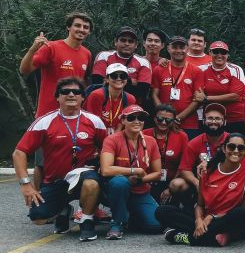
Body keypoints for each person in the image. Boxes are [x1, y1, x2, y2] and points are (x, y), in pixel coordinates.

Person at [12, 77, 107, 242]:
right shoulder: (44, 122)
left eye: (76, 92)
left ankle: (86, 220)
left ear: (83, 97)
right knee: (38, 218)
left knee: (91, 183)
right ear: (57, 97)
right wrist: (26, 184)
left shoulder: (95, 121)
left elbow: (107, 149)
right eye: (65, 92)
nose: (71, 95)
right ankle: (64, 209)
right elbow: (19, 153)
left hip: (84, 177)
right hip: (56, 180)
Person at [158, 133, 245, 246]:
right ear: (224, 149)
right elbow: (199, 205)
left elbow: (243, 208)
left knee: (241, 214)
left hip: (226, 220)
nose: (236, 151)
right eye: (231, 146)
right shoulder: (207, 171)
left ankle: (187, 237)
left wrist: (213, 217)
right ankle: (214, 238)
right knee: (161, 211)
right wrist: (198, 220)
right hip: (206, 220)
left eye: (241, 148)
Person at [99, 105, 163, 239]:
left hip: (140, 191)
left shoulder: (150, 141)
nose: (137, 121)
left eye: (141, 118)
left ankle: (132, 215)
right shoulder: (112, 139)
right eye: (131, 118)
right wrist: (135, 170)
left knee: (156, 226)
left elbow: (157, 173)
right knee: (119, 182)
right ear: (122, 120)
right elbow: (106, 170)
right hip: (117, 190)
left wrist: (140, 180)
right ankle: (117, 222)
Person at [19, 12, 92, 118]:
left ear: (89, 32)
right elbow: (24, 70)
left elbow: (84, 83)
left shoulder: (87, 54)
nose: (81, 29)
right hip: (48, 113)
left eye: (85, 27)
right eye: (77, 25)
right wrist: (32, 50)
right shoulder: (51, 47)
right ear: (68, 27)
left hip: (73, 114)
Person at [150, 36, 203, 139]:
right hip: (163, 122)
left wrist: (177, 118)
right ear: (168, 48)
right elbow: (154, 94)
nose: (178, 50)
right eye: (175, 47)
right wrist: (164, 116)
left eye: (182, 47)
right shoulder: (159, 69)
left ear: (187, 49)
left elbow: (197, 100)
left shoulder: (196, 71)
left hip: (189, 124)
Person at [178, 103, 233, 194]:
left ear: (224, 122)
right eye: (210, 118)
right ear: (204, 121)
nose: (214, 121)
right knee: (176, 184)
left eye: (218, 118)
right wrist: (197, 183)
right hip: (203, 182)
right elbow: (184, 169)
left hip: (227, 181)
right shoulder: (194, 143)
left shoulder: (232, 141)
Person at [143, 104, 191, 207]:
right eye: (160, 119)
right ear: (155, 118)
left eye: (168, 120)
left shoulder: (181, 136)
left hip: (171, 181)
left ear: (173, 121)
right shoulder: (144, 134)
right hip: (149, 180)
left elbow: (183, 164)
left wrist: (170, 189)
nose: (164, 123)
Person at [91, 26, 152, 103]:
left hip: (130, 105)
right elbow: (97, 83)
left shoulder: (143, 62)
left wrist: (110, 80)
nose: (127, 44)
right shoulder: (104, 56)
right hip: (105, 102)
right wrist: (131, 81)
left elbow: (142, 92)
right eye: (123, 40)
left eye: (130, 41)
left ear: (136, 45)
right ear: (116, 42)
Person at [197, 41, 245, 134]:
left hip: (234, 117)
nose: (219, 55)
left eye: (223, 52)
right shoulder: (201, 69)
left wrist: (207, 98)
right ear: (210, 53)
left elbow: (236, 96)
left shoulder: (236, 69)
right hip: (211, 118)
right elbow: (198, 94)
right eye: (216, 51)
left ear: (227, 55)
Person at [84, 63, 137, 132]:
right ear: (107, 79)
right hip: (94, 131)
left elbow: (124, 121)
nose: (118, 79)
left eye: (123, 76)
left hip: (115, 134)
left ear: (126, 80)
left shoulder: (130, 99)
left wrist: (115, 135)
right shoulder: (97, 95)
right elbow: (93, 121)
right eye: (114, 76)